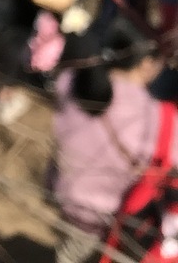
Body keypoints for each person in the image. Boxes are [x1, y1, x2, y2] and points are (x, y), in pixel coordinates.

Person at [51, 18, 172, 263]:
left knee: (71, 245)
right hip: (111, 215)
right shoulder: (160, 116)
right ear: (147, 64)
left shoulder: (71, 81)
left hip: (63, 192)